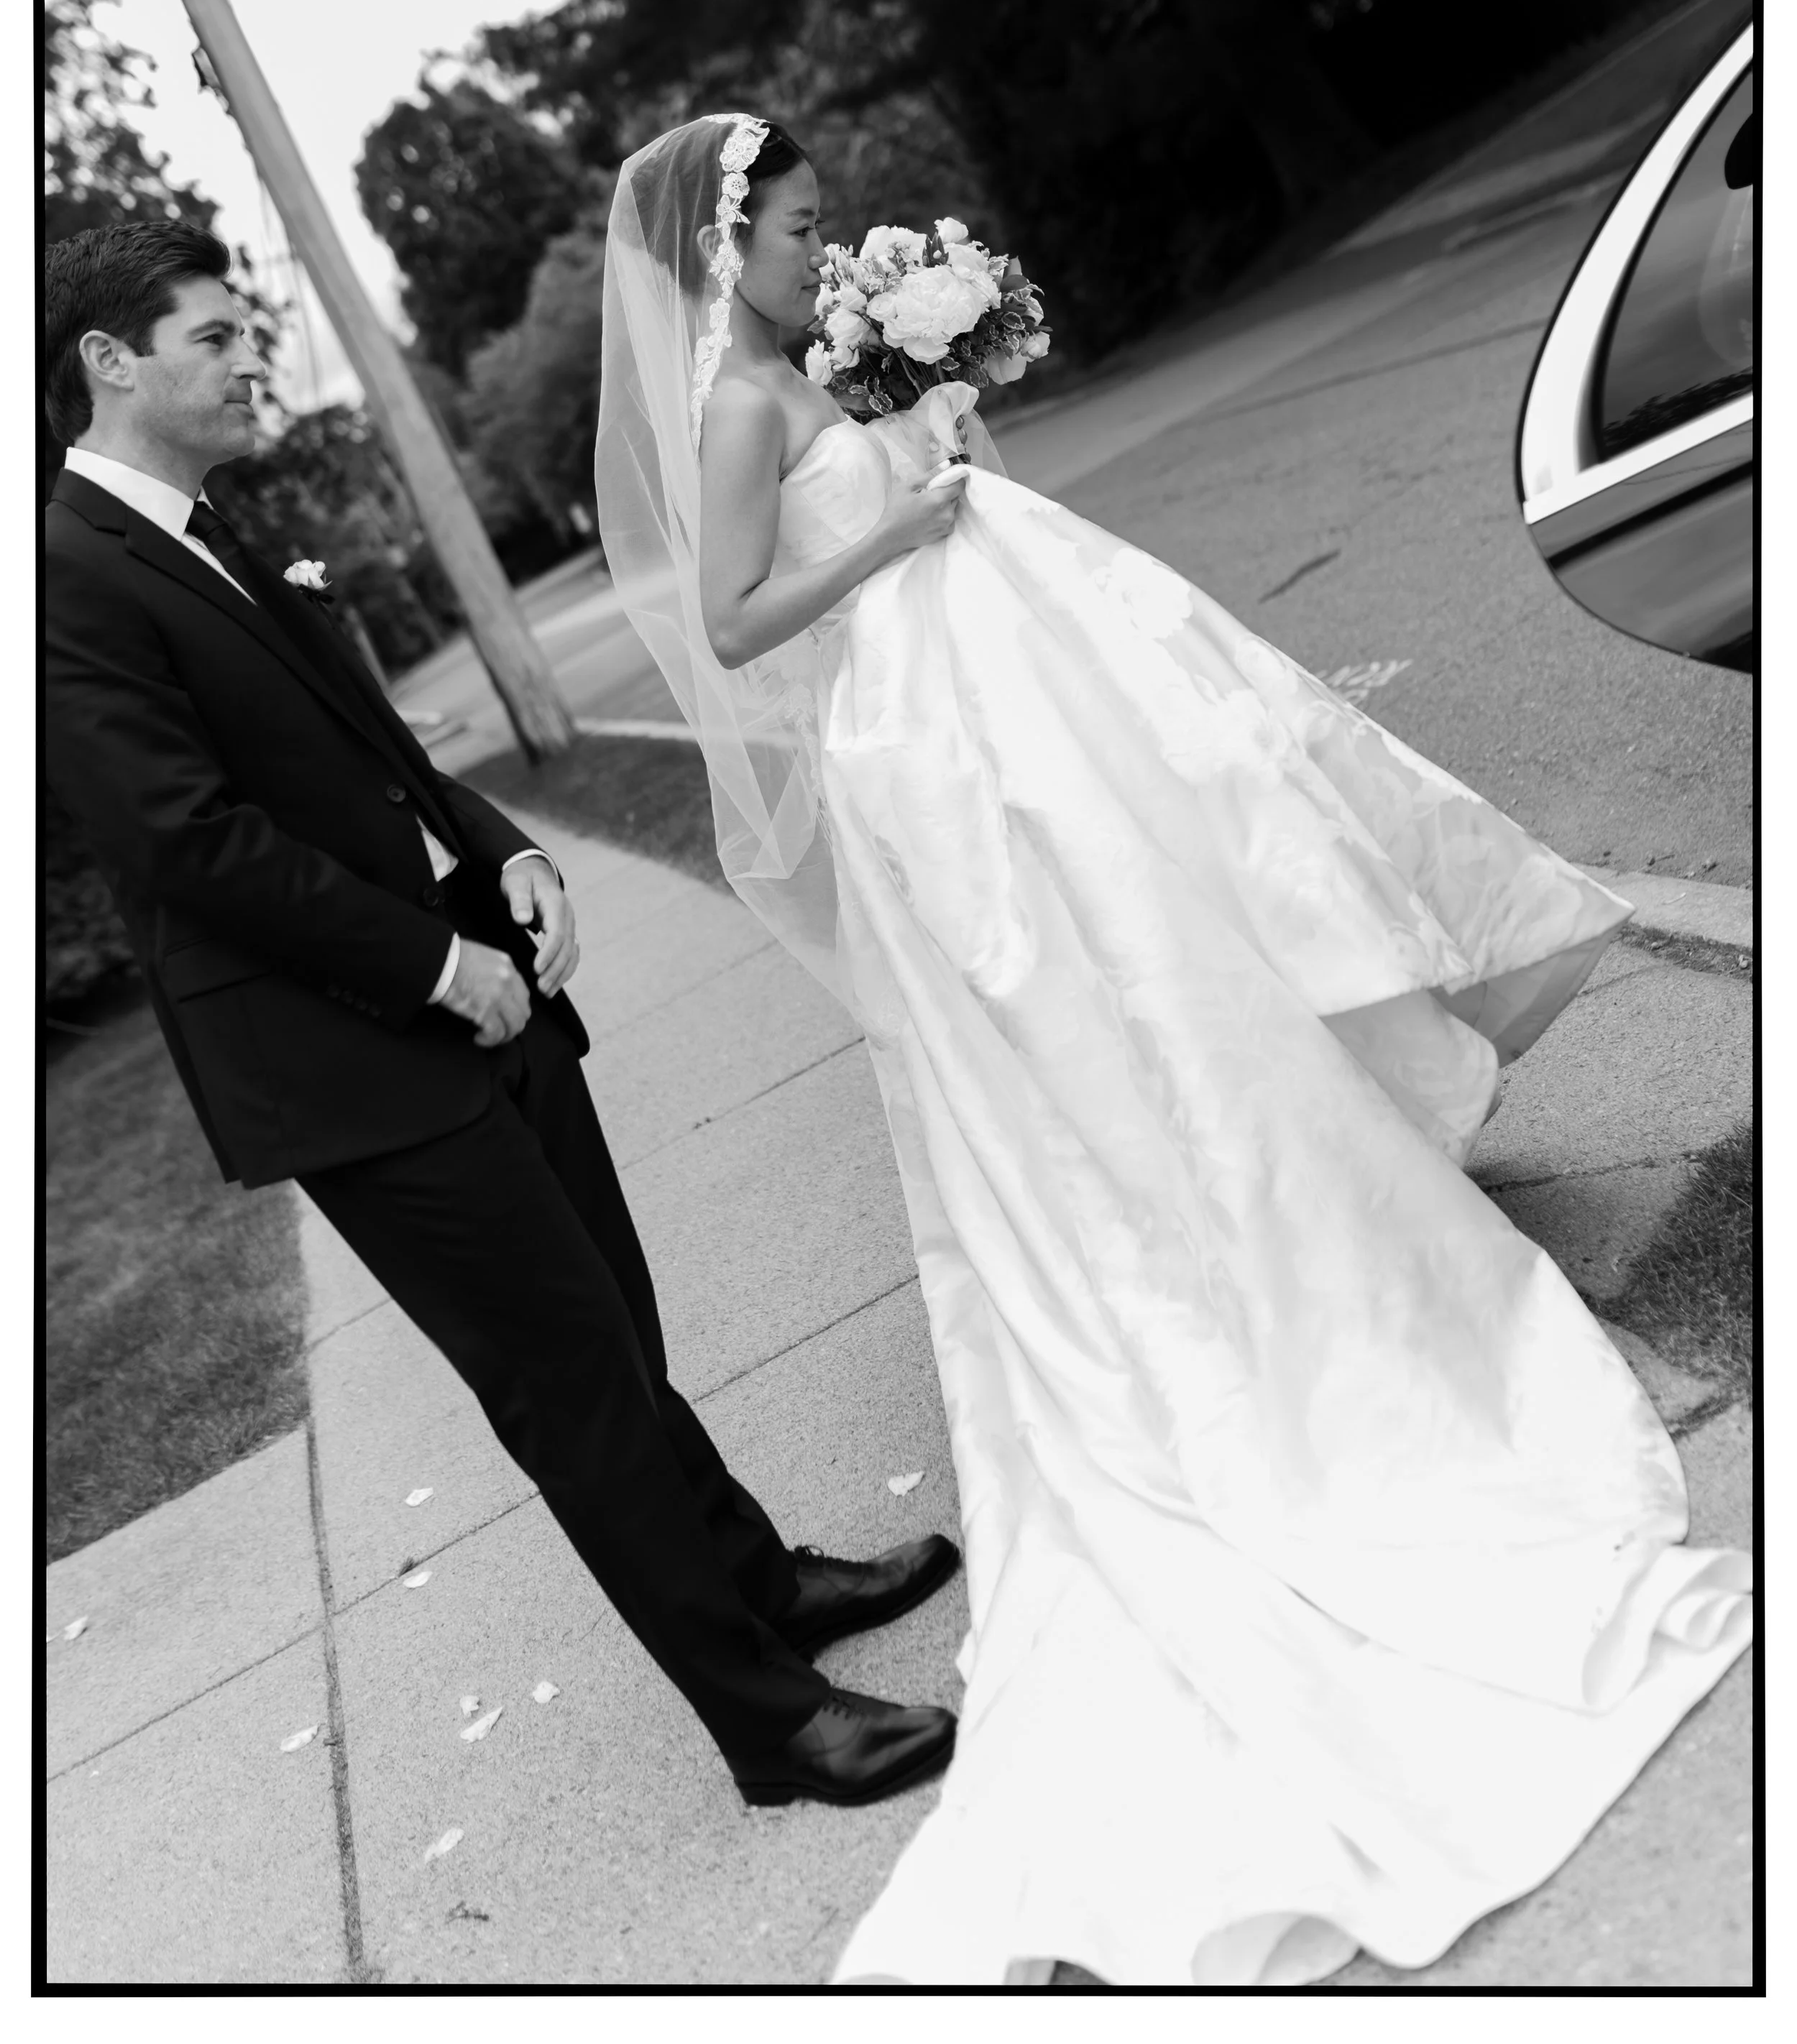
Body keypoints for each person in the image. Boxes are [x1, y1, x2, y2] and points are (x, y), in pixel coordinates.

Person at [594, 114, 1753, 1988]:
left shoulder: (797, 371)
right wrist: (891, 519)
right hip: (928, 747)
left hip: (994, 693)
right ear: (717, 249)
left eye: (819, 227)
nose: (819, 253)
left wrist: (929, 413)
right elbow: (727, 623)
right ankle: (1206, 1302)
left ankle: (1291, 1226)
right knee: (1083, 1040)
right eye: (795, 230)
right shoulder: (734, 412)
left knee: (1175, 981)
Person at [42, 217, 964, 1813]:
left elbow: (360, 748)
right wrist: (425, 963)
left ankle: (758, 1578)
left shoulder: (205, 527)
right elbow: (186, 843)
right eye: (214, 336)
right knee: (569, 1390)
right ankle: (767, 1723)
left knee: (613, 1334)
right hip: (354, 1059)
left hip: (479, 989)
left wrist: (503, 846)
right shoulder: (65, 575)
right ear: (109, 365)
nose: (254, 355)